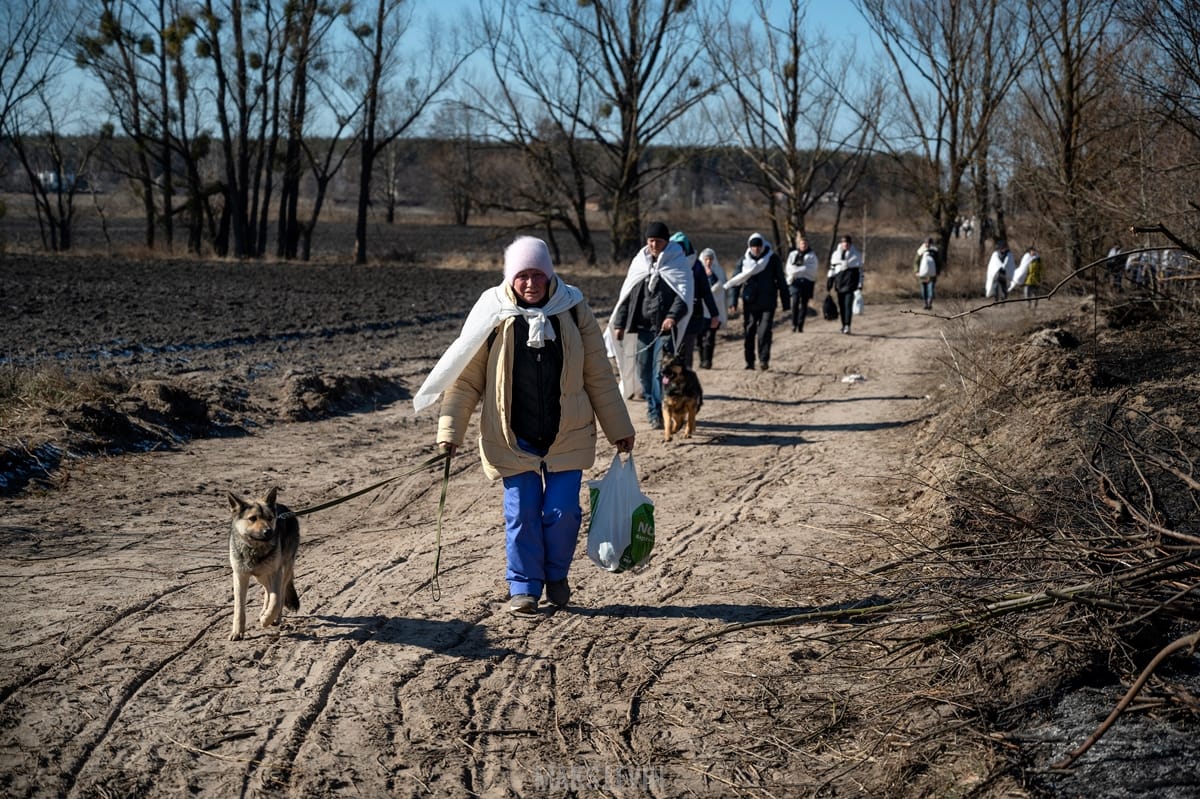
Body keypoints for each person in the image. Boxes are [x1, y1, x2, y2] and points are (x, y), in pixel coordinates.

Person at [415, 236, 636, 615]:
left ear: (550, 276)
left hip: (567, 432)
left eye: (538, 274)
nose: (531, 283)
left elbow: (598, 373)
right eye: (522, 276)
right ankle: (524, 587)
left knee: (563, 512)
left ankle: (555, 576)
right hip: (512, 436)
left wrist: (619, 427)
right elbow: (465, 379)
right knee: (521, 513)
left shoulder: (574, 309)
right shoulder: (493, 312)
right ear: (510, 278)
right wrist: (450, 432)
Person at [607, 221, 695, 429]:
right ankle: (652, 406)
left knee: (660, 371)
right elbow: (627, 295)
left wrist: (672, 316)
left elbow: (683, 295)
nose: (654, 245)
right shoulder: (640, 262)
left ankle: (661, 410)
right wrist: (619, 323)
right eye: (651, 240)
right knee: (644, 371)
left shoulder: (678, 263)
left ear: (666, 241)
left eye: (658, 241)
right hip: (643, 328)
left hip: (665, 329)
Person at [724, 232, 790, 370]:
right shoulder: (744, 261)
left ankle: (764, 360)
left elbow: (781, 281)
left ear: (763, 245)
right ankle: (749, 362)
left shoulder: (772, 259)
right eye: (753, 247)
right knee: (749, 331)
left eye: (759, 246)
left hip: (768, 301)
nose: (756, 249)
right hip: (750, 302)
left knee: (764, 331)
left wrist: (786, 302)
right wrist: (733, 302)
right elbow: (736, 281)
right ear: (750, 247)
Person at [670, 232, 721, 371]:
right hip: (669, 316)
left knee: (686, 353)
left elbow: (706, 292)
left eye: (681, 247)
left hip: (692, 315)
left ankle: (685, 385)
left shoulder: (697, 266)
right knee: (669, 353)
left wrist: (714, 314)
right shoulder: (667, 263)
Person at [696, 248, 728, 368]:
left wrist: (712, 275)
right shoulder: (697, 271)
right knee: (699, 339)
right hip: (700, 311)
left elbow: (721, 287)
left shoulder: (718, 271)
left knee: (710, 337)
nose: (708, 261)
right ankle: (701, 359)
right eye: (706, 259)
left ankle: (708, 361)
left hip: (714, 311)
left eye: (710, 259)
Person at [826, 234, 863, 334]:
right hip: (839, 283)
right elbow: (832, 268)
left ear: (850, 244)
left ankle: (848, 325)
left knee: (848, 305)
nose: (845, 244)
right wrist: (830, 280)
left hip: (851, 283)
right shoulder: (836, 255)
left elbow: (860, 272)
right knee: (842, 306)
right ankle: (843, 325)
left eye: (847, 243)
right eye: (843, 242)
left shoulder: (856, 255)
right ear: (841, 244)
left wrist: (860, 284)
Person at [784, 232, 818, 332]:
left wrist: (798, 269)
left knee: (804, 304)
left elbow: (812, 269)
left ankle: (800, 324)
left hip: (807, 282)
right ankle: (793, 324)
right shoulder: (793, 254)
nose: (804, 245)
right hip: (795, 282)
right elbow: (789, 269)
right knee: (794, 302)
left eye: (805, 244)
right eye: (802, 244)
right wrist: (803, 268)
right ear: (799, 244)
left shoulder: (812, 256)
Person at [914, 236, 938, 310]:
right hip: (922, 276)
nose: (928, 244)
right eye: (926, 242)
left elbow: (938, 262)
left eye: (929, 242)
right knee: (923, 291)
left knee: (931, 290)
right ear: (924, 243)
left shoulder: (935, 251)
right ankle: (925, 303)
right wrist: (916, 271)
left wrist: (937, 271)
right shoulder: (920, 251)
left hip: (932, 275)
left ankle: (929, 304)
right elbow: (916, 262)